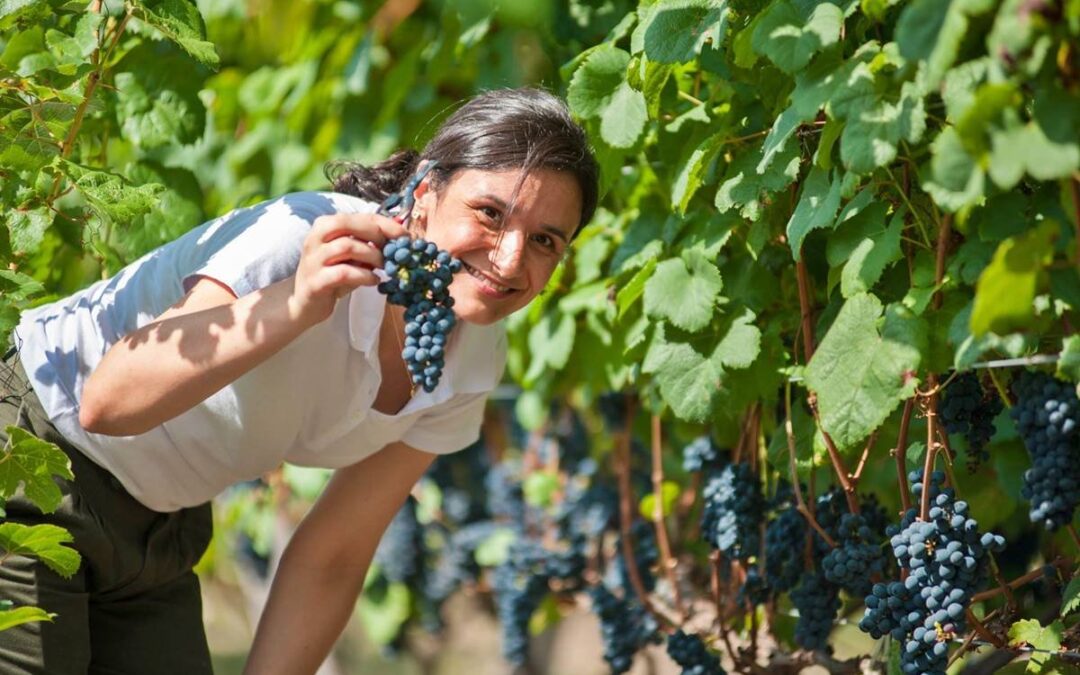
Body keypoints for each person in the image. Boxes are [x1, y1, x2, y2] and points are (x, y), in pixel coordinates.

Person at [0, 87, 598, 675]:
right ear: (425, 192)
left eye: (546, 240)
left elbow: (335, 551)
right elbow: (106, 404)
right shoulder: (301, 240)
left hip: (162, 526)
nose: (512, 257)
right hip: (32, 456)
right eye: (490, 213)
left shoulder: (471, 354)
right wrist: (296, 303)